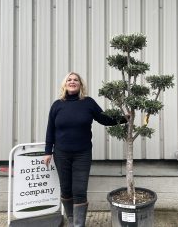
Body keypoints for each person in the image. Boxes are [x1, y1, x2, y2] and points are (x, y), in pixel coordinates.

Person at [43, 72, 127, 227]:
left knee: (80, 191)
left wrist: (125, 118)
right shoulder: (57, 105)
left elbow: (104, 119)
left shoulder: (88, 103)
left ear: (81, 84)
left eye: (76, 80)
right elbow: (50, 130)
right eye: (69, 79)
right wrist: (48, 151)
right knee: (66, 190)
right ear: (65, 84)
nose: (72, 82)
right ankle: (71, 220)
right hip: (61, 154)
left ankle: (78, 225)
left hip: (82, 154)